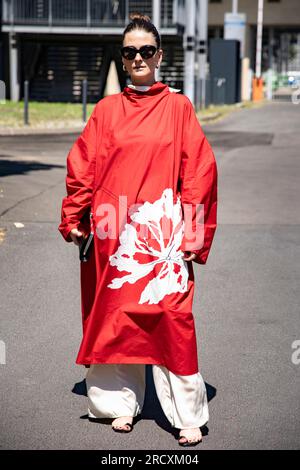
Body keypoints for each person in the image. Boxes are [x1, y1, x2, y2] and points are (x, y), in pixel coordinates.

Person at [58, 12, 218, 447]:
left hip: (164, 241)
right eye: (130, 52)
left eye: (147, 50)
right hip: (115, 238)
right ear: (123, 59)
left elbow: (199, 173)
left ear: (160, 55)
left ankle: (187, 414)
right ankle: (117, 405)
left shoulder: (179, 108)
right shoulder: (107, 111)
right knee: (116, 318)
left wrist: (192, 235)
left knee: (172, 319)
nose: (139, 58)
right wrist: (74, 216)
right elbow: (83, 168)